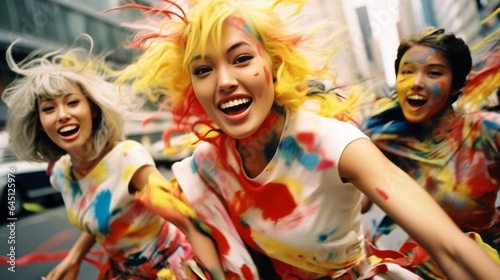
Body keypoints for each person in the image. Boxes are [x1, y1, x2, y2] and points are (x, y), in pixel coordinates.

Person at [112, 0, 500, 279]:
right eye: (203, 69)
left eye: (241, 58)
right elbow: (203, 235)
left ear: (274, 65)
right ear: (192, 86)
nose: (225, 80)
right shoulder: (205, 163)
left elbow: (451, 248)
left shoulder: (331, 142)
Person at [1, 36, 228, 280]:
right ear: (40, 124)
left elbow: (189, 224)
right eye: (49, 108)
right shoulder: (61, 174)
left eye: (72, 102)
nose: (62, 115)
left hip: (174, 269)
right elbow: (102, 217)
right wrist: (74, 258)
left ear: (93, 109)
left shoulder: (127, 160)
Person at [362, 27, 500, 279]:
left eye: (434, 73)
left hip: (487, 262)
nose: (416, 82)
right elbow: (358, 206)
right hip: (426, 268)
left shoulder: (487, 130)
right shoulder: (387, 142)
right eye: (407, 72)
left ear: (456, 86)